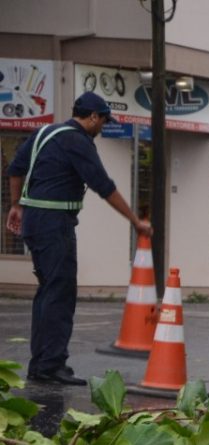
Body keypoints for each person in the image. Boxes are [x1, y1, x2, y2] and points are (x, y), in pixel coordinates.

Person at [5, 91, 153, 386]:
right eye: (103, 120)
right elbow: (103, 185)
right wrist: (135, 221)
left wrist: (17, 205)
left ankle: (41, 364)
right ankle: (50, 365)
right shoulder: (77, 141)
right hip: (53, 224)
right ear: (93, 117)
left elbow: (16, 169)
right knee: (60, 292)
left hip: (36, 221)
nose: (102, 127)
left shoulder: (44, 132)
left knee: (48, 290)